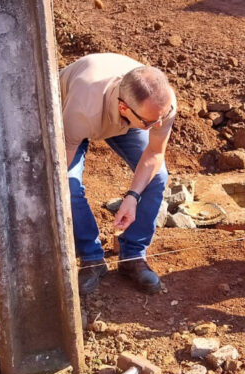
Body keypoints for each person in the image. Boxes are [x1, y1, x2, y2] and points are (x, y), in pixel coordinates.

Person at [60, 53, 177, 296]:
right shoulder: (83, 107)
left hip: (129, 119)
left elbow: (155, 153)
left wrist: (133, 196)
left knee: (158, 177)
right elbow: (63, 164)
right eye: (150, 124)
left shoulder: (160, 108)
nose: (158, 127)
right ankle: (91, 258)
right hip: (75, 114)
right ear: (124, 108)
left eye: (161, 119)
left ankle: (132, 256)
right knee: (67, 185)